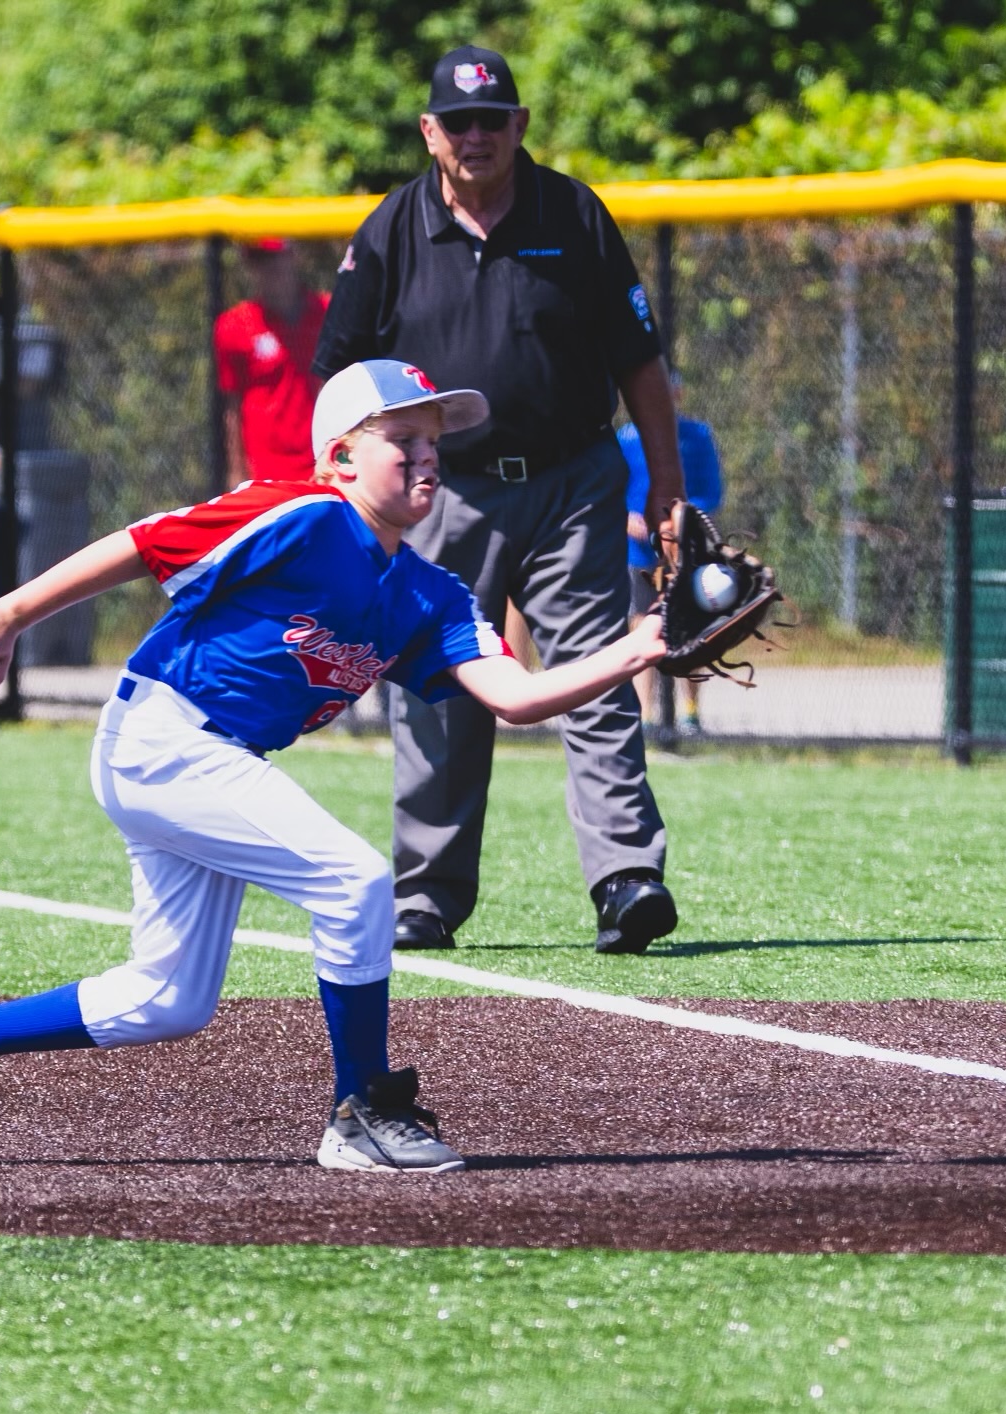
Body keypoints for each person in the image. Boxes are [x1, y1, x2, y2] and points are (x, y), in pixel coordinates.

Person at [0, 359, 669, 1174]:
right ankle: (359, 1113)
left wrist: (642, 646)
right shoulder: (304, 514)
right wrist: (12, 611)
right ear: (341, 459)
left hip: (209, 758)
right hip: (162, 737)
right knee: (354, 880)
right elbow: (144, 544)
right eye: (402, 439)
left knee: (166, 1000)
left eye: (433, 441)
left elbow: (517, 696)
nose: (427, 456)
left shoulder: (432, 594)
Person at [313, 45, 687, 956]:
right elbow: (338, 372)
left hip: (572, 482)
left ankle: (626, 878)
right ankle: (427, 897)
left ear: (519, 125)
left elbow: (640, 360)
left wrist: (667, 486)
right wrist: (345, 494)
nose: (478, 135)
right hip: (439, 491)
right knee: (440, 688)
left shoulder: (574, 214)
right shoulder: (394, 229)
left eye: (495, 119)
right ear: (430, 133)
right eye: (460, 122)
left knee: (597, 671)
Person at [621, 369, 724, 734]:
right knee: (641, 627)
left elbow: (711, 492)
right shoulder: (626, 438)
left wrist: (678, 519)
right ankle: (646, 714)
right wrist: (628, 517)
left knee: (691, 626)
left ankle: (690, 712)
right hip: (639, 552)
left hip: (685, 550)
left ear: (678, 396)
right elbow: (612, 487)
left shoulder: (698, 437)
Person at [214, 238, 330, 482]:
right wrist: (236, 472)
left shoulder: (328, 312)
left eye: (275, 255)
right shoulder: (234, 325)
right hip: (267, 472)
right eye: (259, 259)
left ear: (293, 255)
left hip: (323, 463)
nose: (270, 267)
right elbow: (232, 409)